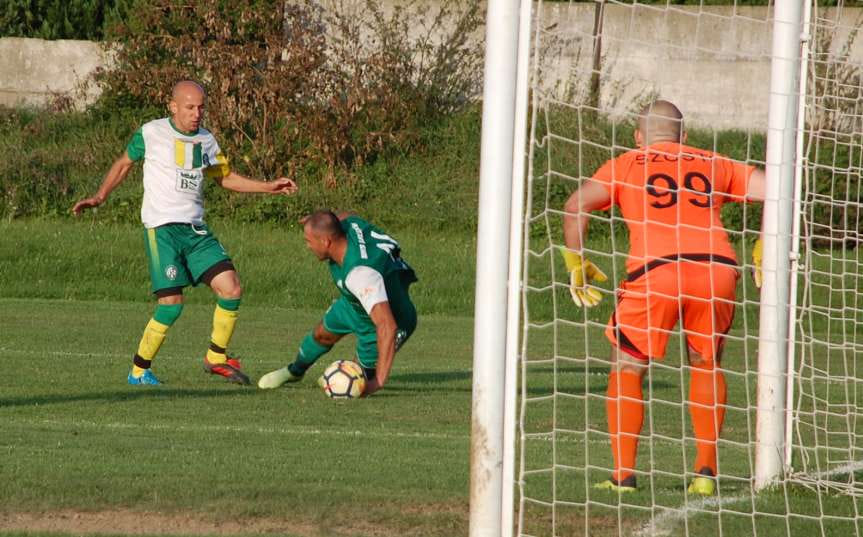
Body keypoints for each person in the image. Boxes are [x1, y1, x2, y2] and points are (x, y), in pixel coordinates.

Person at [562, 100, 766, 496]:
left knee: (627, 364)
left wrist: (577, 262)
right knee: (706, 363)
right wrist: (764, 245)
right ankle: (705, 474)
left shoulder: (626, 163)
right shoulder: (714, 162)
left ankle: (623, 476)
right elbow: (779, 189)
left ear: (639, 137)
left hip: (655, 271)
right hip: (717, 270)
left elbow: (575, 206)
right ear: (684, 137)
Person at [72, 80, 298, 386]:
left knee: (231, 288)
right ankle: (139, 371)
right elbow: (124, 163)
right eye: (190, 107)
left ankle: (216, 357)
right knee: (172, 304)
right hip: (163, 229)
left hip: (195, 230)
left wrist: (268, 187)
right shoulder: (151, 133)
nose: (197, 113)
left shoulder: (206, 140)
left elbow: (226, 177)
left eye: (201, 107)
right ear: (173, 106)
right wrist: (100, 196)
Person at [258, 210, 418, 396]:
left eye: (309, 241)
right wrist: (314, 219)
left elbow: (387, 325)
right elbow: (345, 215)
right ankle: (294, 372)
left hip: (387, 319)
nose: (308, 246)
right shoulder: (347, 226)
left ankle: (346, 376)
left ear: (326, 242)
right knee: (321, 335)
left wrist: (379, 381)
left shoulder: (361, 274)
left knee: (358, 377)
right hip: (354, 303)